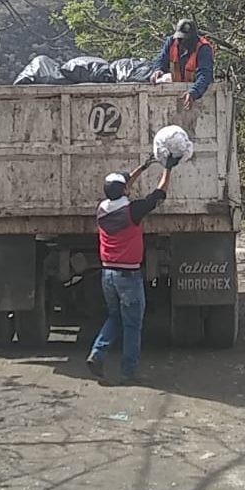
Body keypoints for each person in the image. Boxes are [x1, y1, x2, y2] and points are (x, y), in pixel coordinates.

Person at [86, 155, 178, 384]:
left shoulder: (102, 209)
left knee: (115, 316)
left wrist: (144, 166)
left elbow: (126, 183)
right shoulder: (132, 212)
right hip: (128, 276)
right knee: (132, 324)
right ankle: (129, 371)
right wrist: (168, 168)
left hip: (107, 274)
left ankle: (97, 353)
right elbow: (159, 195)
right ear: (124, 190)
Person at [150, 18, 215, 110]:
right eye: (181, 38)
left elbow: (205, 74)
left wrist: (194, 92)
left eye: (186, 39)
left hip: (199, 94)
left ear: (194, 38)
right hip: (175, 89)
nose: (183, 41)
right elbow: (161, 59)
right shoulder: (172, 42)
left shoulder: (203, 48)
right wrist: (158, 69)